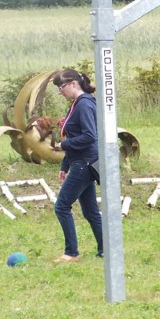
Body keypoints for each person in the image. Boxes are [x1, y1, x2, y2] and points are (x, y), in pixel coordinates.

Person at [52, 69, 103, 263]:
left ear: (74, 84)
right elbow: (74, 135)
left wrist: (62, 146)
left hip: (85, 163)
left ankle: (71, 253)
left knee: (62, 206)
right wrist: (65, 164)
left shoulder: (84, 104)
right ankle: (105, 249)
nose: (60, 92)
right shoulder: (77, 103)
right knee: (90, 211)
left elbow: (90, 136)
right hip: (80, 162)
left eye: (61, 87)